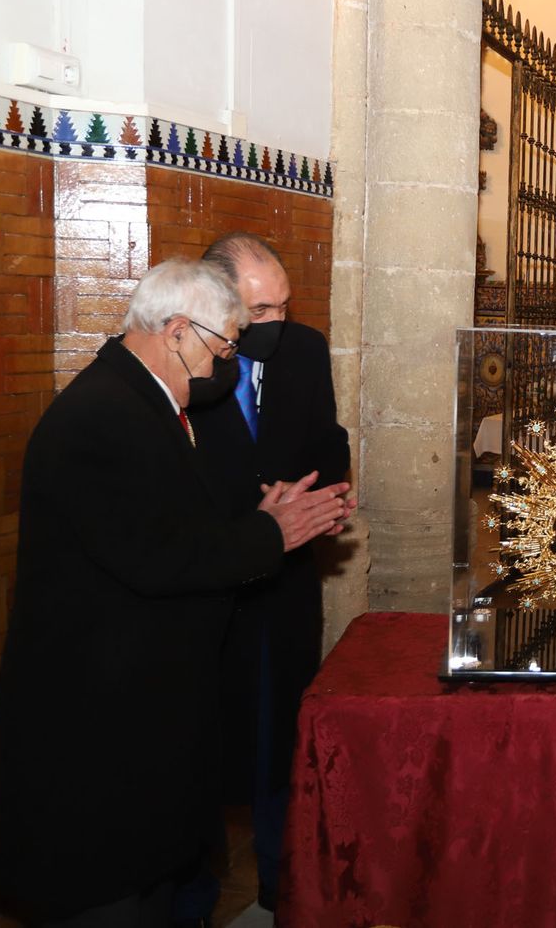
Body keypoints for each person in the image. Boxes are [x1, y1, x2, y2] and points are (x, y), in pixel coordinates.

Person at [0, 259, 353, 927]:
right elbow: (158, 557)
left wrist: (256, 517)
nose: (229, 365)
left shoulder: (148, 404)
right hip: (95, 746)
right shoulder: (100, 419)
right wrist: (270, 536)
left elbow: (176, 524)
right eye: (224, 347)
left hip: (144, 737)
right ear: (177, 330)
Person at [179, 232, 351, 920]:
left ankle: (284, 882)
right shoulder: (189, 358)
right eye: (261, 311)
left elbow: (326, 436)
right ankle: (194, 888)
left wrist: (329, 491)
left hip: (287, 583)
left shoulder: (304, 349)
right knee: (202, 738)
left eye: (284, 306)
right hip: (212, 585)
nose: (275, 324)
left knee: (283, 731)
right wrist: (254, 512)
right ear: (222, 305)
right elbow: (178, 474)